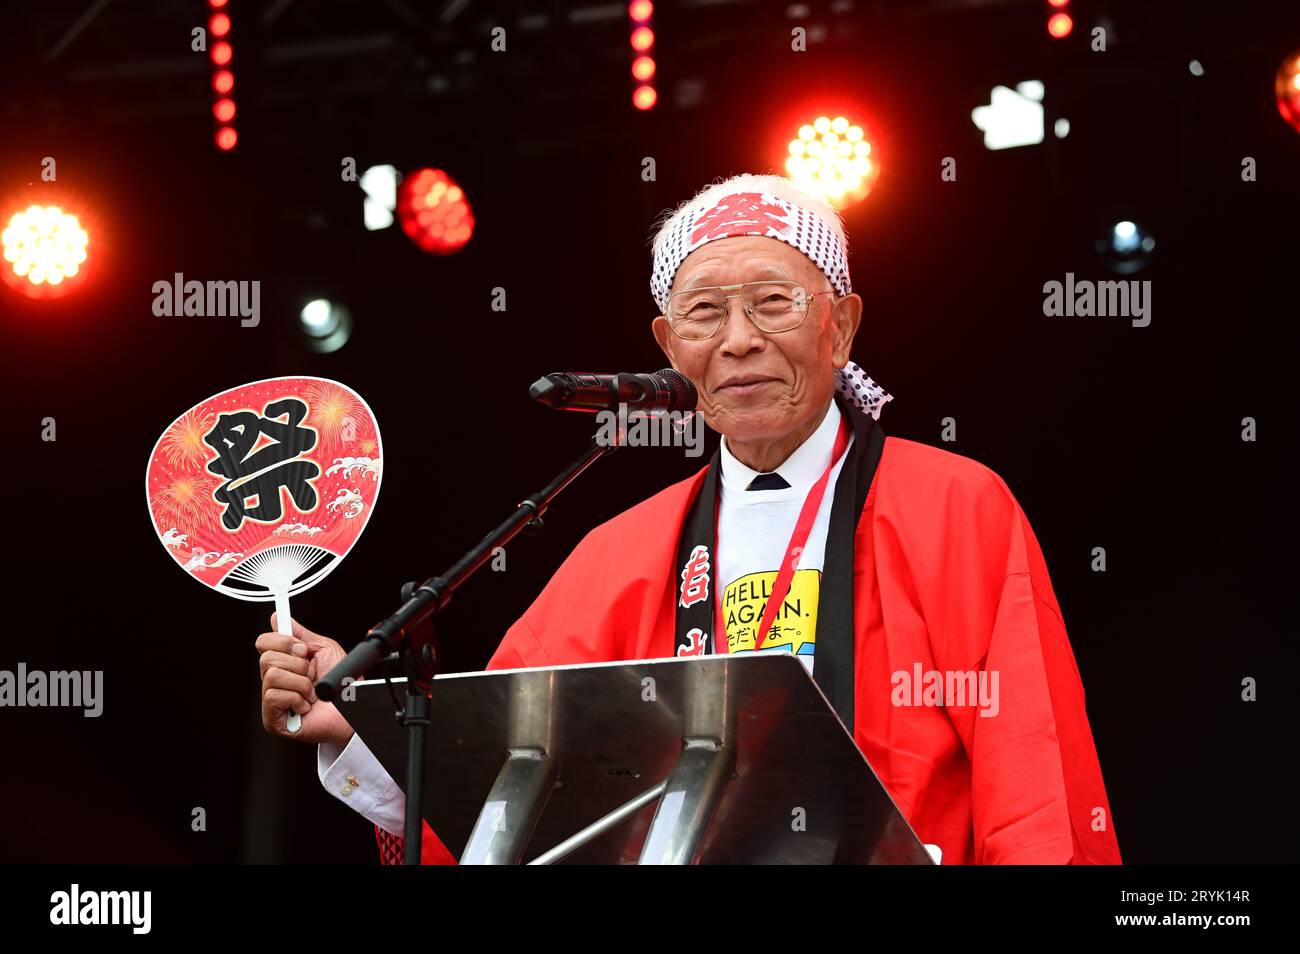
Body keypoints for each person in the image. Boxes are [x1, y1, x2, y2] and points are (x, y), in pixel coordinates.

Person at [257, 173, 1122, 865]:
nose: (738, 338)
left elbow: (1033, 769)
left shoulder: (956, 506)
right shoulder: (619, 551)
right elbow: (512, 774)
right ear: (670, 348)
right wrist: (362, 719)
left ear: (843, 326)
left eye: (773, 302)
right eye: (705, 313)